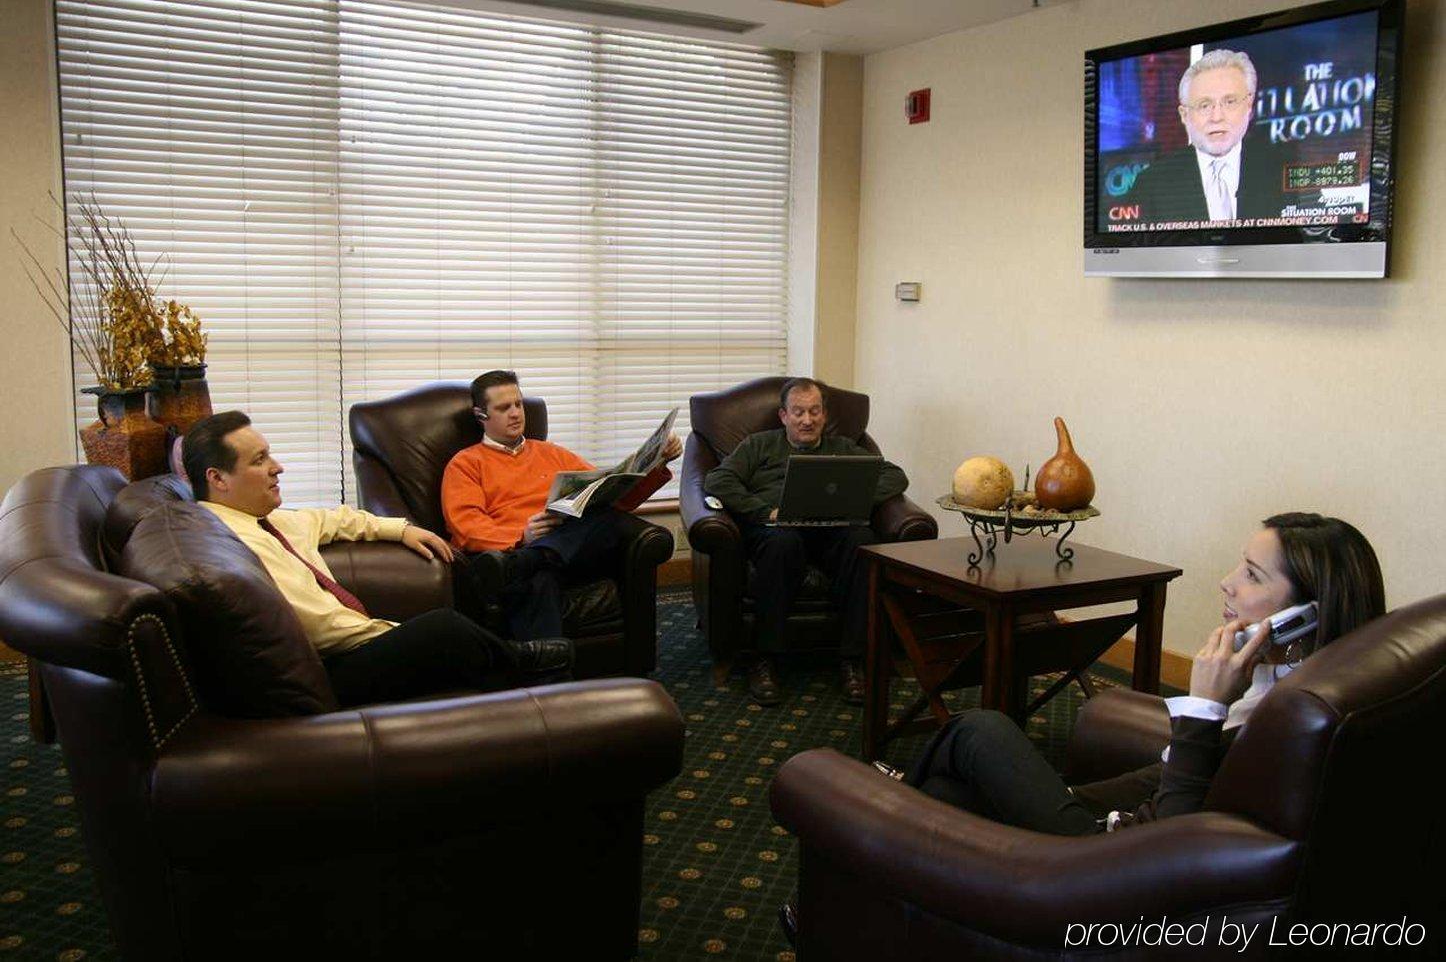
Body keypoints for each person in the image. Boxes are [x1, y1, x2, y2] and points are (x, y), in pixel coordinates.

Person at [898, 512, 1386, 835]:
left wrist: (1206, 706)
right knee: (950, 795)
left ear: (1306, 616)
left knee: (979, 729)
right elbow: (1171, 775)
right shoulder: (1308, 685)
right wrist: (1067, 796)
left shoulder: (1289, 718)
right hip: (1117, 827)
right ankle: (896, 812)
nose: (1227, 583)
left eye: (1253, 575)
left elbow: (1175, 837)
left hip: (1113, 862)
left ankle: (883, 805)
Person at [182, 411, 572, 708]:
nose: (277, 467)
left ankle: (521, 668)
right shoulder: (230, 538)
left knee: (458, 621)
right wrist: (394, 633)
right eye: (259, 460)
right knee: (444, 629)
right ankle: (530, 678)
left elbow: (336, 519)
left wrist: (402, 529)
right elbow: (318, 627)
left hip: (347, 646)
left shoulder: (268, 519)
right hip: (328, 669)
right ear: (217, 479)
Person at [704, 377, 909, 707]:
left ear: (824, 415)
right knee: (782, 545)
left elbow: (895, 476)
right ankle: (766, 658)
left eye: (814, 411)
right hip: (776, 529)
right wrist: (763, 511)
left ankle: (852, 659)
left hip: (832, 529)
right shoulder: (759, 445)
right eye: (798, 412)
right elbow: (717, 480)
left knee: (862, 540)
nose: (807, 420)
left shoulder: (842, 448)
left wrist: (855, 500)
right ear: (784, 416)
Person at [441, 369, 682, 641]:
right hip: (514, 551)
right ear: (480, 415)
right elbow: (467, 527)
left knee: (607, 515)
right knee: (538, 578)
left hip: (565, 550)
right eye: (503, 407)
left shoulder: (551, 452)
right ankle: (552, 676)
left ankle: (530, 560)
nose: (516, 413)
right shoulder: (465, 463)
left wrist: (658, 463)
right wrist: (522, 537)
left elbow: (614, 495)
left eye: (518, 404)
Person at [1128, 49, 1289, 224]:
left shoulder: (1282, 170)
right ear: (1184, 115)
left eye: (1230, 102)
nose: (1217, 117)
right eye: (1204, 105)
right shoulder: (1151, 185)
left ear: (1249, 106)